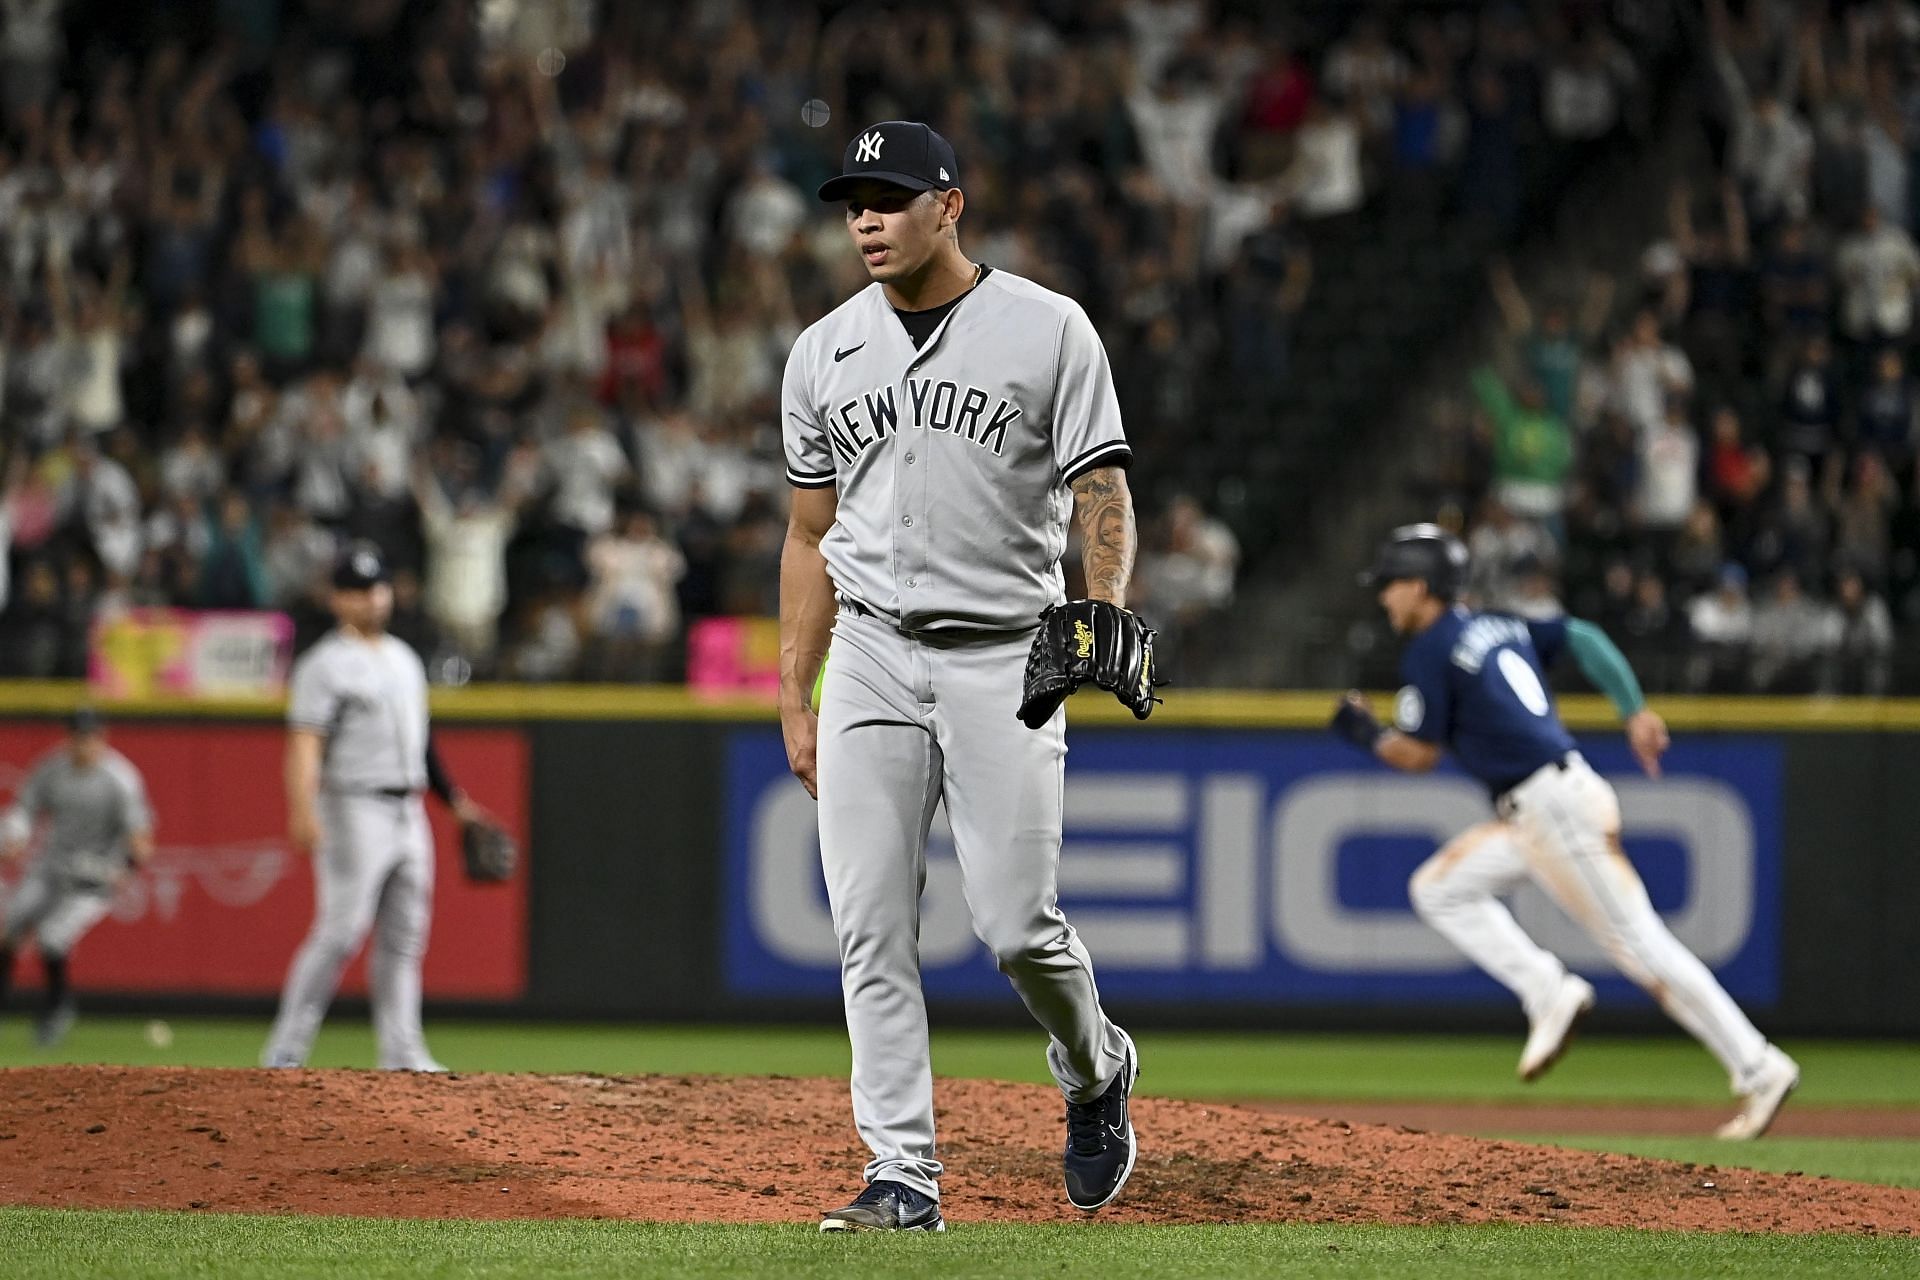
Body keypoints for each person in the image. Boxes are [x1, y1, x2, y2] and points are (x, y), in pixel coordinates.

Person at [780, 120, 1145, 1233]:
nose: (867, 219)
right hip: (875, 652)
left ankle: (1094, 1067)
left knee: (1016, 925)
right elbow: (808, 534)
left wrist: (1105, 607)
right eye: (853, 200)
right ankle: (903, 1171)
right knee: (869, 921)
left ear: (950, 205)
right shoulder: (822, 350)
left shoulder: (1047, 328)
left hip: (1006, 652)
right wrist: (796, 688)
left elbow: (1103, 494)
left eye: (890, 197)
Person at [1328, 524, 1799, 1140]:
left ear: (1420, 586)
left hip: (1552, 811)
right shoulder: (1498, 622)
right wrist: (1633, 709)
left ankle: (1759, 1065)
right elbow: (1584, 635)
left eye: (1390, 584)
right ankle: (1547, 989)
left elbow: (1419, 755)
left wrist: (1361, 729)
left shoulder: (1429, 647)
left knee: (1643, 947)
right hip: (1540, 809)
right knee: (1439, 889)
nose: (1384, 597)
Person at [261, 542, 492, 1071]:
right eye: (357, 590)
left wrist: (454, 802)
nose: (371, 599)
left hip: (408, 809)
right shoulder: (323, 665)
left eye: (376, 587)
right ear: (337, 599)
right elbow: (304, 743)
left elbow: (423, 746)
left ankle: (402, 1051)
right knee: (340, 932)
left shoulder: (405, 660)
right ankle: (285, 1051)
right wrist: (301, 808)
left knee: (406, 935)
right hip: (352, 807)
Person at [0, 708, 153, 1046]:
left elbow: (141, 838)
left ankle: (57, 1009)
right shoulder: (53, 768)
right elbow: (25, 808)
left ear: (102, 737)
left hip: (92, 879)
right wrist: (16, 834)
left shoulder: (119, 779)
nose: (84, 743)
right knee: (11, 922)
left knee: (52, 937)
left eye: (90, 736)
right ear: (68, 737)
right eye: (78, 736)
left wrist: (125, 867)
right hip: (51, 867)